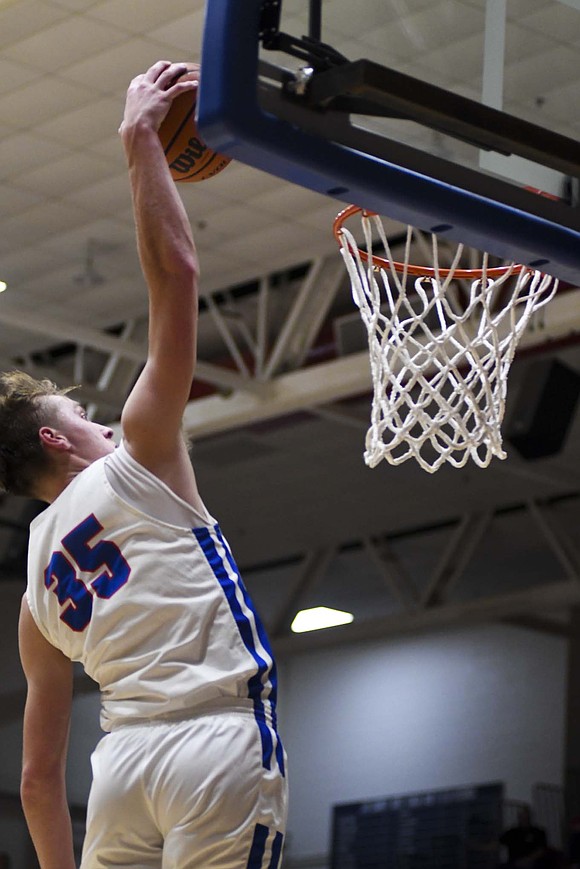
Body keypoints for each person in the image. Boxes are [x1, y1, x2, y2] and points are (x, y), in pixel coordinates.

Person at [13, 60, 287, 869]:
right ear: (54, 441)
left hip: (122, 772)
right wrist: (140, 141)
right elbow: (177, 274)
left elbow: (36, 779)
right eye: (80, 416)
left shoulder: (34, 594)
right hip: (215, 744)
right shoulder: (139, 453)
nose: (101, 420)